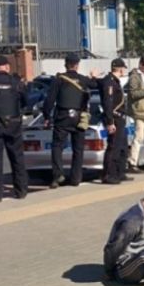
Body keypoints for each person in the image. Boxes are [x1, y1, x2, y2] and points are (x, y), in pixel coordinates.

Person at [43, 53, 98, 188]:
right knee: (78, 149)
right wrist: (94, 76)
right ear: (77, 65)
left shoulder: (59, 79)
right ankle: (76, 178)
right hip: (79, 117)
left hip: (62, 116)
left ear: (65, 65)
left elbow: (50, 99)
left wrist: (46, 116)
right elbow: (95, 84)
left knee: (57, 147)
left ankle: (58, 175)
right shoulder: (83, 80)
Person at [0, 55, 28, 202]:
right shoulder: (15, 82)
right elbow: (26, 100)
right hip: (14, 123)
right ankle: (21, 191)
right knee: (17, 157)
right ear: (7, 67)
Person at [100, 58, 133, 185]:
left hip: (121, 118)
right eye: (123, 68)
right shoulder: (109, 82)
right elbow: (108, 103)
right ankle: (109, 174)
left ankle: (120, 172)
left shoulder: (115, 81)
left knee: (122, 147)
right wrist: (110, 122)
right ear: (119, 68)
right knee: (113, 147)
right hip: (115, 118)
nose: (124, 70)